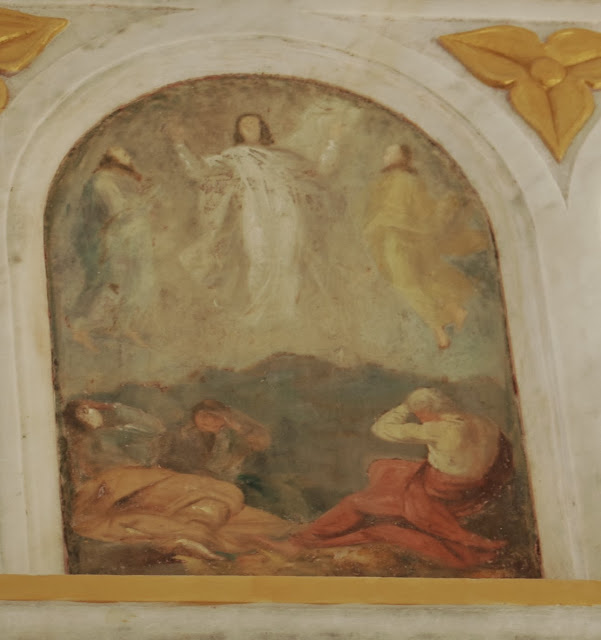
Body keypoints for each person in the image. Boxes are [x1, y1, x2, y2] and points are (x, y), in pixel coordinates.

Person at [289, 388, 513, 569]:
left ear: (424, 410)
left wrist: (405, 406)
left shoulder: (439, 429)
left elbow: (381, 428)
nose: (420, 419)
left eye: (419, 414)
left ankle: (302, 541)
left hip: (442, 490)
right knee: (384, 467)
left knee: (355, 501)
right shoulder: (485, 423)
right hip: (476, 488)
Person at [168, 113, 348, 327]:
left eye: (254, 124)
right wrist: (180, 145)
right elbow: (199, 171)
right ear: (239, 131)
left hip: (286, 212)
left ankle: (286, 314)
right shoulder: (234, 156)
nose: (250, 127)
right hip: (254, 212)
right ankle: (260, 313)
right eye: (245, 124)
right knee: (260, 258)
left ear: (263, 128)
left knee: (287, 259)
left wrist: (333, 140)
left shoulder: (281, 156)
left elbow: (321, 170)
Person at [65, 399, 294, 562]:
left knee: (229, 505)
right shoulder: (87, 442)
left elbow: (151, 426)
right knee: (219, 495)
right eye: (82, 413)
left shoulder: (128, 431)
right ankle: (190, 537)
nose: (88, 414)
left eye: (88, 410)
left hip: (156, 482)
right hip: (130, 484)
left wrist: (108, 407)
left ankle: (194, 537)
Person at [363, 144, 489, 348]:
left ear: (402, 157)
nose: (385, 156)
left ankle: (439, 328)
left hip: (396, 238)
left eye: (389, 152)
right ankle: (454, 310)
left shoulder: (395, 181)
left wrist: (375, 227)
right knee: (423, 279)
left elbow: (390, 213)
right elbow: (425, 213)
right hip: (414, 240)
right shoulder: (412, 181)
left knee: (407, 285)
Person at [69, 146, 158, 351]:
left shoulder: (112, 180)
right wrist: (145, 203)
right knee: (102, 283)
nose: (128, 156)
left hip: (117, 240)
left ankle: (123, 326)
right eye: (122, 154)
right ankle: (79, 329)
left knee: (131, 282)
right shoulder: (102, 182)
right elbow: (117, 213)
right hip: (104, 243)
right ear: (111, 160)